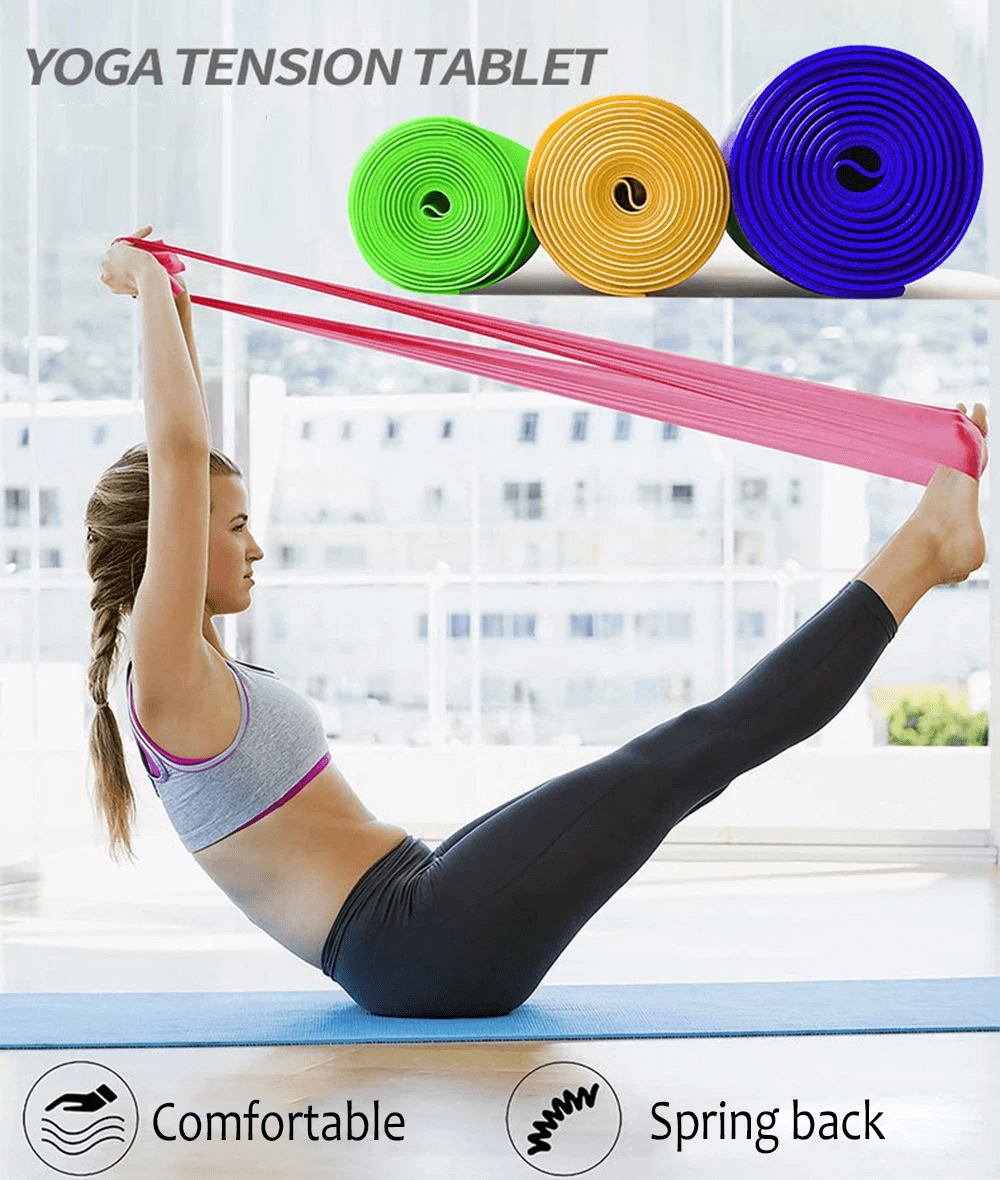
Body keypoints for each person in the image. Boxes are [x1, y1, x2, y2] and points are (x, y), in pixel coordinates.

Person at [87, 227, 989, 1019]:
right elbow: (175, 456)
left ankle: (927, 546)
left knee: (671, 760)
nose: (257, 548)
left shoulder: (186, 661)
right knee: (691, 750)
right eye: (236, 526)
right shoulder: (165, 677)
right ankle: (923, 552)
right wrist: (147, 286)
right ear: (166, 542)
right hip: (416, 943)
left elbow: (185, 455)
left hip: (417, 905)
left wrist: (174, 298)